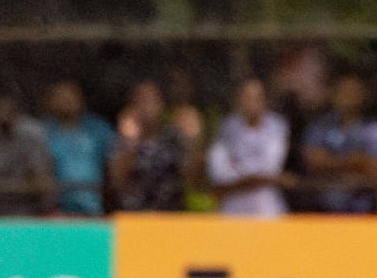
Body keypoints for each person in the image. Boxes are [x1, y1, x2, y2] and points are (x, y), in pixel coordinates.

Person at [302, 73, 377, 214]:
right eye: (343, 91)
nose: (347, 97)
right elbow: (313, 162)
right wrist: (354, 162)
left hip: (363, 210)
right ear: (333, 95)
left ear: (362, 96)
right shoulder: (320, 126)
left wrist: (331, 165)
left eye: (353, 92)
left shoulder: (373, 128)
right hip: (323, 211)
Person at [0, 85, 54, 216]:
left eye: (8, 105)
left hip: (26, 205)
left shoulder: (32, 131)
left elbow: (40, 175)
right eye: (0, 105)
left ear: (17, 108)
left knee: (46, 186)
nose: (4, 110)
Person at [207, 77, 289, 217]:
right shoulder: (226, 128)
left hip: (266, 208)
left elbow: (270, 167)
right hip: (233, 209)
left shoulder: (276, 126)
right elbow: (219, 173)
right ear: (238, 99)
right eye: (246, 97)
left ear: (265, 100)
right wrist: (269, 179)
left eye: (257, 97)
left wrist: (238, 175)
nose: (251, 102)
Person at [110, 79, 189, 212]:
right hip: (134, 216)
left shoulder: (174, 137)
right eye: (140, 101)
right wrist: (131, 142)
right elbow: (116, 182)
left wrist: (193, 139)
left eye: (151, 100)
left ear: (161, 104)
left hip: (170, 216)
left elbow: (190, 177)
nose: (146, 106)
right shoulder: (123, 140)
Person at [41, 78, 114, 216]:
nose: (67, 101)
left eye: (70, 96)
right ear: (50, 101)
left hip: (92, 208)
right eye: (61, 97)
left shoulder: (98, 129)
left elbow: (114, 160)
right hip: (57, 211)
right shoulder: (42, 132)